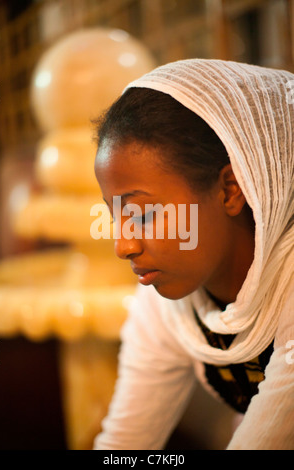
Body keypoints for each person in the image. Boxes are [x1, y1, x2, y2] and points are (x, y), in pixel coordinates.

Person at [92, 59, 294, 450]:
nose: (124, 246)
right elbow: (124, 447)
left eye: (145, 214)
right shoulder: (165, 303)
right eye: (115, 217)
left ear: (230, 190)